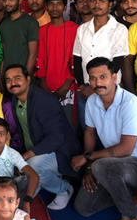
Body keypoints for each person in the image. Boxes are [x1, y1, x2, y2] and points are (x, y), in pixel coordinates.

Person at [71, 57, 137, 220]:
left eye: (103, 77)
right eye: (93, 78)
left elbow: (126, 149)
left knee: (101, 166)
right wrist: (88, 168)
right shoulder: (93, 101)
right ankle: (131, 194)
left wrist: (88, 158)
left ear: (114, 77)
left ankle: (131, 216)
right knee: (83, 207)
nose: (97, 83)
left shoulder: (130, 103)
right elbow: (90, 132)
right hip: (113, 165)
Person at [6, 64, 81, 210]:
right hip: (39, 151)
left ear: (28, 79)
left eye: (17, 78)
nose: (13, 83)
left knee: (33, 167)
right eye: (8, 80)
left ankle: (63, 188)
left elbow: (56, 138)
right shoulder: (16, 99)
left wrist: (26, 156)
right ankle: (40, 178)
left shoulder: (43, 101)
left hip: (60, 152)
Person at [74, 0, 128, 130]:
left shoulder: (119, 29)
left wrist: (96, 87)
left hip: (109, 88)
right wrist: (81, 86)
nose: (97, 5)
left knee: (108, 130)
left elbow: (117, 62)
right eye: (93, 1)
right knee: (87, 129)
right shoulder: (82, 29)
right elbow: (77, 58)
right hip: (85, 88)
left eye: (102, 1)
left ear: (110, 4)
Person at [36, 0, 78, 129]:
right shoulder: (41, 30)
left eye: (59, 4)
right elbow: (39, 59)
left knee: (69, 127)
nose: (55, 8)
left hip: (68, 87)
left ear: (65, 7)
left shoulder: (74, 29)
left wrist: (66, 86)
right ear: (46, 7)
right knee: (50, 126)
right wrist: (43, 85)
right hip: (46, 87)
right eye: (51, 4)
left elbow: (76, 59)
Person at [0, 118, 39, 212]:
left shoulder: (12, 154)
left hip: (8, 189)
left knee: (31, 182)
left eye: (1, 134)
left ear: (7, 136)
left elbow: (34, 176)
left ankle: (16, 205)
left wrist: (27, 201)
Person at [0, 0, 39, 80]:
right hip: (7, 78)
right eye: (4, 0)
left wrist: (25, 77)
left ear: (20, 1)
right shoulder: (4, 24)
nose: (7, 3)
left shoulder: (30, 22)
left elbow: (33, 54)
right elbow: (3, 55)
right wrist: (1, 79)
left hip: (23, 78)